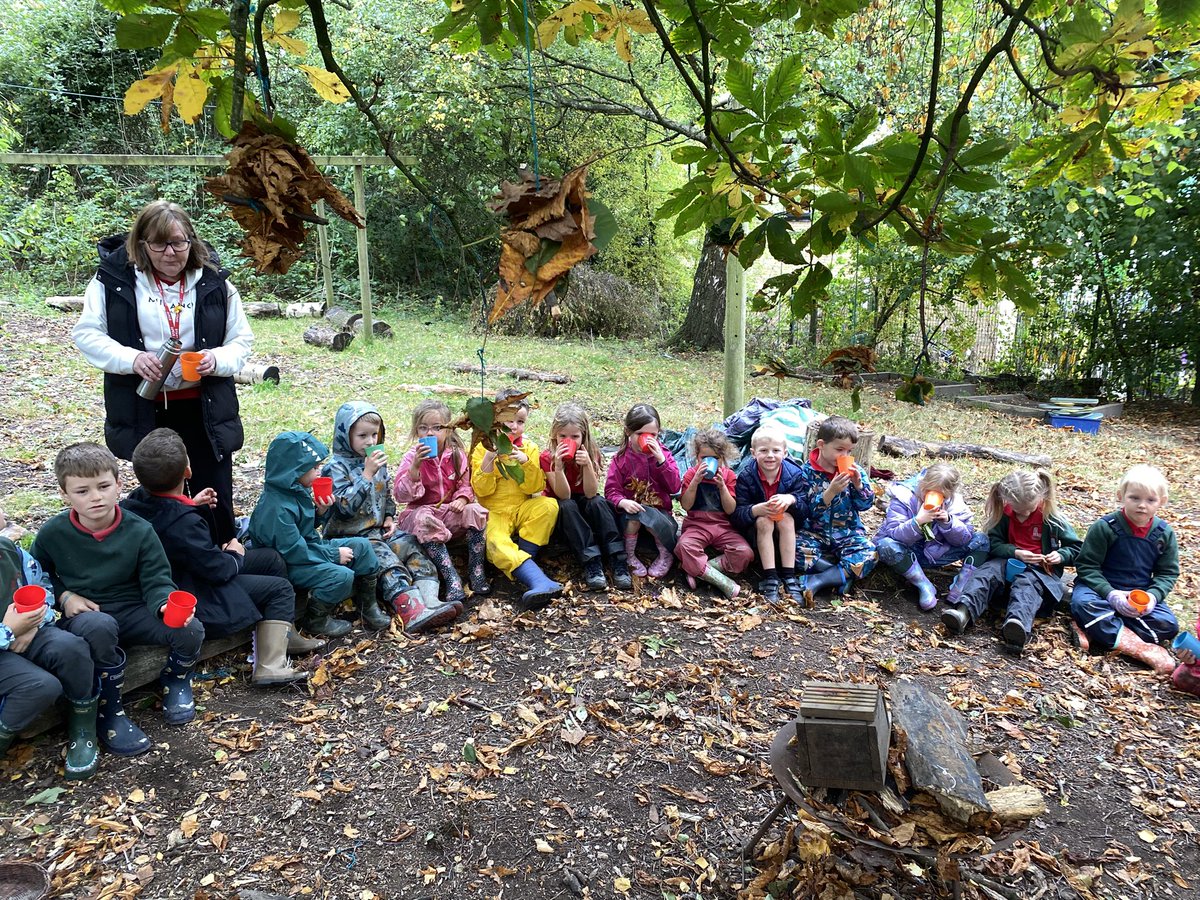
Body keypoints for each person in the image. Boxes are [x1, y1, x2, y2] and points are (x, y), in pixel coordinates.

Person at [72, 200, 253, 545]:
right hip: (144, 404)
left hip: (204, 405)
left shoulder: (215, 282)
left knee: (213, 487)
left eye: (179, 243)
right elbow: (87, 334)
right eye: (159, 244)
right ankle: (161, 562)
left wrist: (215, 359)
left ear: (192, 242)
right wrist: (132, 359)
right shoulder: (113, 280)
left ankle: (220, 556)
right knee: (159, 491)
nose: (170, 253)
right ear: (142, 244)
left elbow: (241, 341)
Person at [31, 442, 201, 727]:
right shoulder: (53, 533)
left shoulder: (140, 530)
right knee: (100, 628)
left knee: (191, 629)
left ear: (119, 484)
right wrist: (64, 597)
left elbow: (157, 578)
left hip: (135, 608)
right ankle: (110, 709)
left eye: (103, 486)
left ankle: (177, 679)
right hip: (89, 615)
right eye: (82, 491)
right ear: (64, 494)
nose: (95, 498)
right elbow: (38, 575)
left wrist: (163, 605)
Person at [121, 428, 307, 686]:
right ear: (188, 471)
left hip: (185, 570)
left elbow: (167, 520)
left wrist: (188, 505)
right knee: (280, 589)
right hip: (194, 590)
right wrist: (234, 553)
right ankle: (270, 665)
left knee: (271, 560)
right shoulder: (183, 524)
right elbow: (216, 569)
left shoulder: (134, 502)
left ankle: (285, 633)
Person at [324, 402, 458, 635]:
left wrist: (388, 515)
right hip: (351, 537)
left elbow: (385, 492)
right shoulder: (335, 468)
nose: (370, 441)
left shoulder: (377, 459)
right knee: (387, 561)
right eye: (362, 435)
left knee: (412, 547)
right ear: (345, 435)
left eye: (374, 435)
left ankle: (430, 600)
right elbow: (343, 508)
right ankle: (412, 610)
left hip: (378, 530)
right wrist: (366, 474)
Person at [247, 432, 380, 638]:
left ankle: (367, 605)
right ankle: (315, 619)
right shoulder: (276, 508)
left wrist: (320, 513)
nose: (320, 472)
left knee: (362, 546)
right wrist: (333, 555)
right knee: (341, 576)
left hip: (304, 552)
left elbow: (304, 531)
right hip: (288, 564)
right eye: (314, 467)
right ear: (294, 469)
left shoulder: (295, 490)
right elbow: (292, 550)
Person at [940, 468, 1081, 653]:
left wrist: (1061, 556)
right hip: (1007, 562)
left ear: (1041, 498)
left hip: (1039, 572)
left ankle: (1017, 626)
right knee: (985, 573)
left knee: (1026, 585)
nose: (1023, 515)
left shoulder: (1051, 517)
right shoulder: (1005, 513)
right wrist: (1015, 552)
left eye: (1029, 510)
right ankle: (963, 611)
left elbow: (1077, 549)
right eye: (1018, 511)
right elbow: (994, 543)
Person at [0, 536, 101, 779]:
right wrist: (7, 632)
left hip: (27, 630)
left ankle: (83, 728)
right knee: (41, 685)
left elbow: (42, 586)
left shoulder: (10, 551)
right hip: (6, 638)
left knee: (71, 648)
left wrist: (31, 626)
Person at [1069, 465, 1178, 675]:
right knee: (1084, 604)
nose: (1142, 506)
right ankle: (1140, 649)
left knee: (1168, 625)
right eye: (1134, 498)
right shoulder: (1105, 527)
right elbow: (1086, 565)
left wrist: (1153, 598)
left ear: (1162, 501)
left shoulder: (1165, 533)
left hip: (1138, 594)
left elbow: (1167, 573)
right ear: (1121, 496)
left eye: (1150, 500)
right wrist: (1110, 593)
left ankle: (1095, 629)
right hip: (1099, 589)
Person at [471, 389, 562, 611]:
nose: (513, 426)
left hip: (521, 507)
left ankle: (524, 564)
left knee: (548, 506)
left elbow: (535, 487)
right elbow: (481, 490)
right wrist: (489, 459)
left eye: (520, 421)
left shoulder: (528, 447)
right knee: (493, 540)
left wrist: (525, 462)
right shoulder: (481, 448)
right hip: (494, 511)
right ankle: (537, 579)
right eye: (508, 420)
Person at [393, 400, 490, 605]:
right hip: (421, 517)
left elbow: (465, 485)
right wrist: (415, 468)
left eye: (437, 428)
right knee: (424, 518)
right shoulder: (412, 457)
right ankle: (451, 577)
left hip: (448, 514)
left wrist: (463, 499)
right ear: (416, 430)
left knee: (475, 510)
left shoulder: (456, 455)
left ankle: (476, 570)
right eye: (423, 428)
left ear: (448, 430)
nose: (430, 433)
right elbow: (401, 496)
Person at [874, 463, 990, 611]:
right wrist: (917, 522)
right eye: (928, 492)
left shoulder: (954, 504)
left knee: (982, 540)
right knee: (885, 545)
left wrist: (948, 522)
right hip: (908, 554)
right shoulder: (904, 497)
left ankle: (960, 585)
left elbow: (965, 539)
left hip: (938, 554)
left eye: (941, 496)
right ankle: (923, 584)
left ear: (950, 495)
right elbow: (894, 534)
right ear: (922, 484)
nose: (933, 497)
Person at [541, 402, 628, 592]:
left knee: (598, 502)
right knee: (567, 505)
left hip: (585, 501)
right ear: (554, 435)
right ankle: (592, 562)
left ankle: (617, 559)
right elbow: (564, 495)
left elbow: (590, 493)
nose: (568, 440)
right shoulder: (548, 457)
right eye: (562, 436)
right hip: (564, 512)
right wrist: (558, 467)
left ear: (583, 436)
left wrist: (588, 465)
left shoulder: (591, 453)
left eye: (574, 436)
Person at [794, 416, 877, 606]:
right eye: (839, 450)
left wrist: (858, 485)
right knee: (790, 547)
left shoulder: (856, 472)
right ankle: (841, 576)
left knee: (870, 554)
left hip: (847, 532)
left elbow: (865, 505)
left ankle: (818, 580)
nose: (844, 455)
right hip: (814, 533)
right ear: (821, 445)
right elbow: (805, 511)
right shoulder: (805, 473)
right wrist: (829, 493)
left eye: (849, 451)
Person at [604, 403, 681, 579]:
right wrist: (623, 502)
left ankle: (666, 555)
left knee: (651, 517)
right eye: (640, 434)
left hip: (659, 514)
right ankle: (629, 556)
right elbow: (611, 490)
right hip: (631, 514)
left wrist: (661, 461)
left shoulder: (664, 455)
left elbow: (675, 487)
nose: (647, 439)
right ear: (628, 432)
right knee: (635, 518)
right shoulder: (621, 459)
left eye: (653, 435)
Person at [733, 424, 806, 602]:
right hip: (757, 531)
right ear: (753, 453)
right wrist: (755, 510)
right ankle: (770, 576)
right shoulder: (746, 476)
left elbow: (805, 509)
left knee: (787, 518)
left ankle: (789, 575)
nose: (770, 455)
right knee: (764, 520)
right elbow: (737, 516)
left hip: (786, 529)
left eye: (776, 450)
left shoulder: (795, 474)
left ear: (785, 452)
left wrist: (791, 499)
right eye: (764, 450)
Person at [676, 428, 752, 598]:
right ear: (697, 457)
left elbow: (731, 509)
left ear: (723, 459)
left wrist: (722, 487)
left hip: (723, 527)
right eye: (704, 458)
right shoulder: (690, 474)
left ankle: (698, 571)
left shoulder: (729, 476)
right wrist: (695, 481)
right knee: (684, 546)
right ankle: (723, 582)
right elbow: (686, 505)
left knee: (745, 553)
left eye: (715, 459)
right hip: (697, 526)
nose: (710, 462)